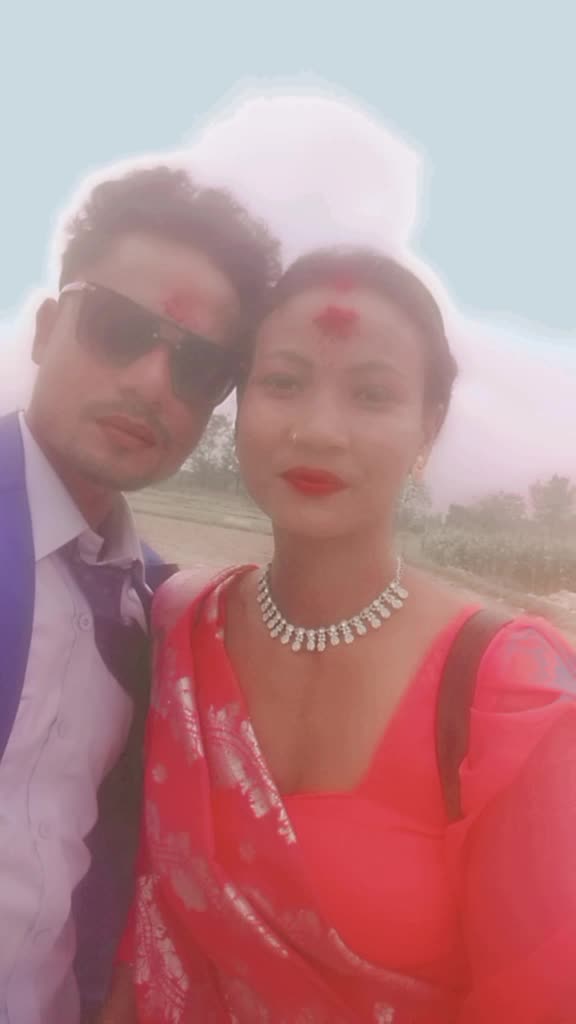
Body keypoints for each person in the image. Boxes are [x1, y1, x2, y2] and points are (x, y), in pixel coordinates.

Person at [103, 248, 576, 1023]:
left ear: (428, 427)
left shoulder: (508, 696)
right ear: (241, 403)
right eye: (283, 383)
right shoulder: (182, 627)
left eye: (372, 394)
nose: (318, 430)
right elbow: (146, 924)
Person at [0, 163, 279, 1024]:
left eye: (197, 366)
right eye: (120, 328)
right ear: (46, 329)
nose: (154, 382)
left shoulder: (155, 612)